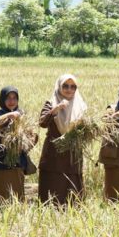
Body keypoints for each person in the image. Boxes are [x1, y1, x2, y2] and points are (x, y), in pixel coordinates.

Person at [38, 73, 86, 206]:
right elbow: (42, 123)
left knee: (72, 188)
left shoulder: (81, 106)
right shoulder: (51, 103)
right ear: (59, 87)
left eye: (73, 87)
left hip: (72, 154)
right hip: (54, 153)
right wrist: (56, 109)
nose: (69, 89)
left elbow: (85, 130)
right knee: (53, 186)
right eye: (65, 86)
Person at [0, 86, 33, 204]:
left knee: (16, 200)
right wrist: (8, 116)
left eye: (14, 98)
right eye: (8, 98)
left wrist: (26, 142)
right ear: (2, 100)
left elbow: (32, 135)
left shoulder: (22, 116)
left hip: (16, 165)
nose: (12, 101)